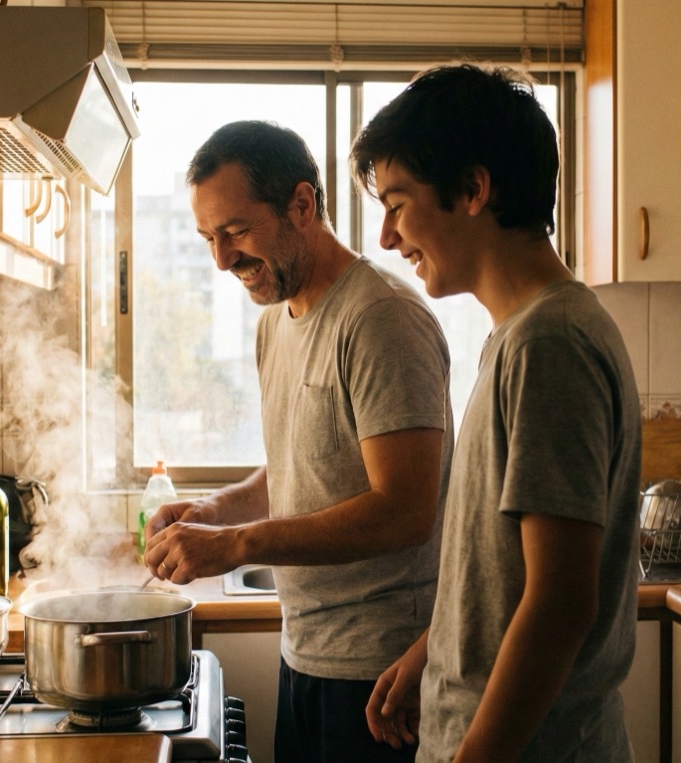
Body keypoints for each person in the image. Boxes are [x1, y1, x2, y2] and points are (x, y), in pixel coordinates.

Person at [350, 63, 642, 762]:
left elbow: (561, 601)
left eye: (397, 202)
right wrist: (434, 649)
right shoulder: (520, 336)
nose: (388, 237)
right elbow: (508, 569)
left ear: (473, 190)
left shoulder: (550, 345)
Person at [143, 119, 454, 762]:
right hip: (306, 654)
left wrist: (235, 543)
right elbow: (299, 466)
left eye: (234, 232)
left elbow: (406, 509)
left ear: (302, 206)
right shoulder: (276, 323)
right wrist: (211, 513)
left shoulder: (380, 319)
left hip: (383, 678)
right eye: (208, 238)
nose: (221, 260)